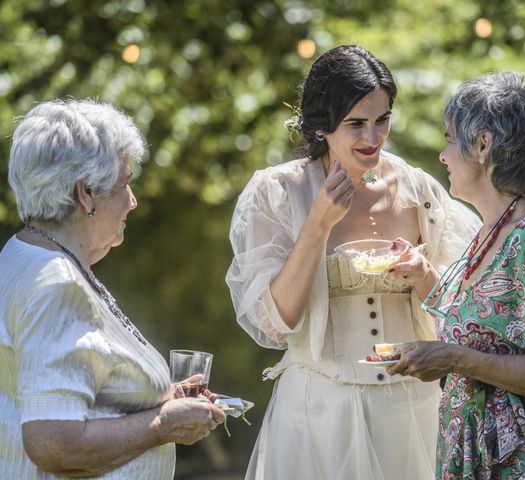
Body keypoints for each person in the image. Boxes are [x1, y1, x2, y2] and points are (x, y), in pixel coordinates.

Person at [226, 44, 480, 480]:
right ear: (322, 126)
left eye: (382, 120)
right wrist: (317, 226)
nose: (372, 138)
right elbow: (275, 323)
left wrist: (423, 276)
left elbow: (465, 313)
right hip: (318, 412)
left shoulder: (419, 190)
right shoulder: (278, 193)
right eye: (356, 124)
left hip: (411, 411)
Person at [0, 99, 226, 479]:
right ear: (85, 193)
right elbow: (51, 441)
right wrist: (163, 424)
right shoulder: (55, 281)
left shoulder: (22, 253)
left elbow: (58, 386)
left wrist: (151, 397)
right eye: (124, 183)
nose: (133, 200)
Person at [388, 72, 525, 477]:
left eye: (450, 139)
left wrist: (455, 359)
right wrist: (426, 276)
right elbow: (486, 329)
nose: (443, 155)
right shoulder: (489, 230)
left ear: (483, 145)